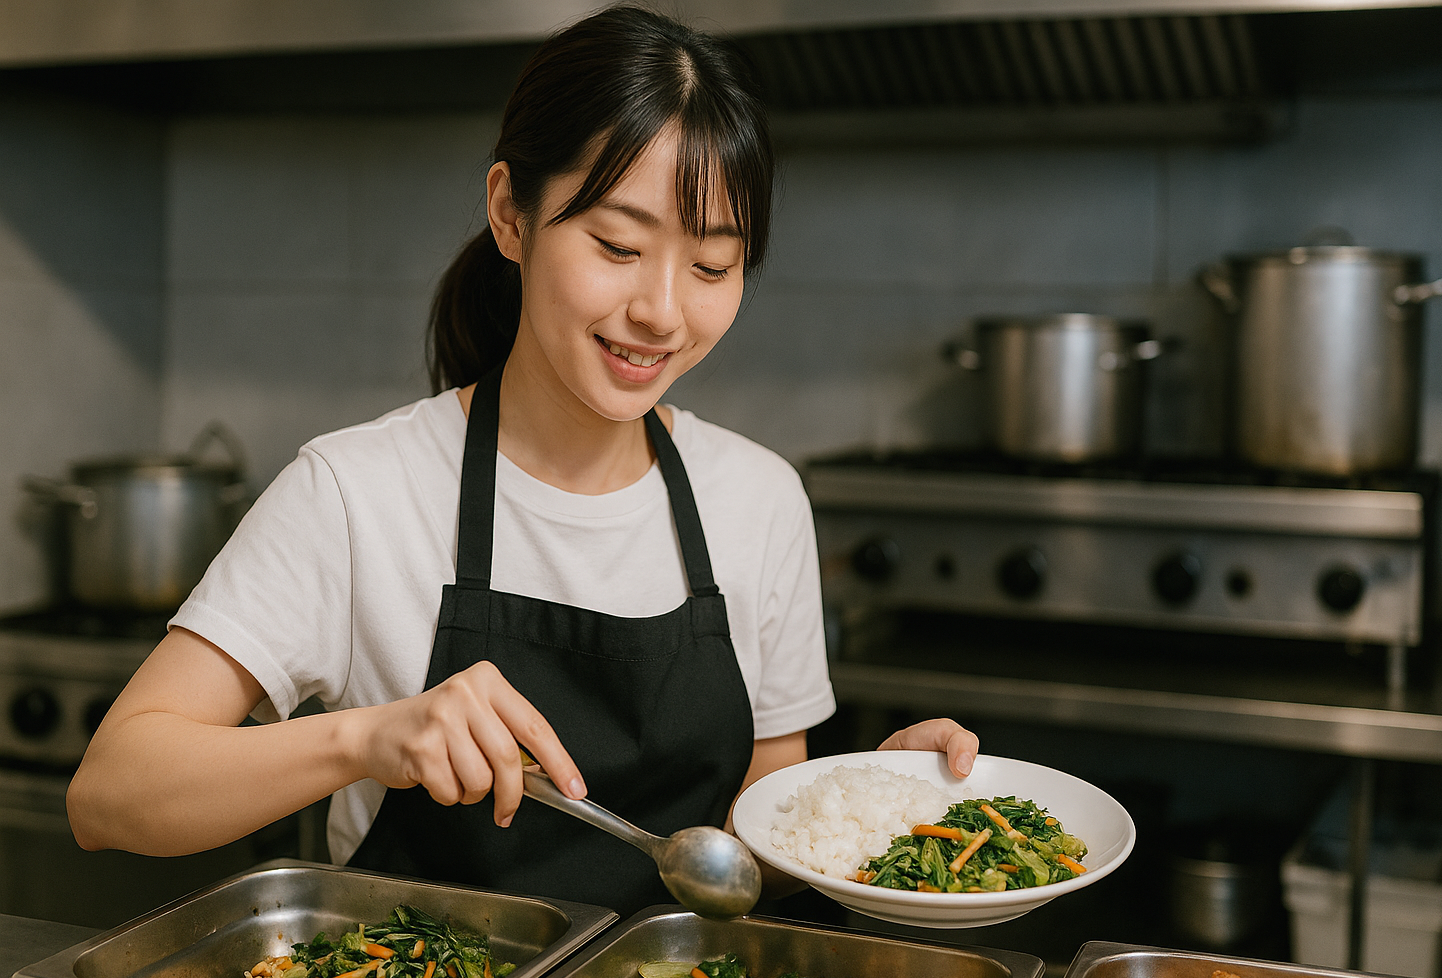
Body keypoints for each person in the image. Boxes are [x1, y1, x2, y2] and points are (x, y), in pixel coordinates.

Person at [66, 6, 977, 917]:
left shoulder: (760, 500)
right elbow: (109, 795)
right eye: (618, 245)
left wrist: (865, 816)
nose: (662, 312)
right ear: (511, 213)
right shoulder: (356, 492)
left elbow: (747, 857)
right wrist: (365, 741)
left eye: (711, 266)